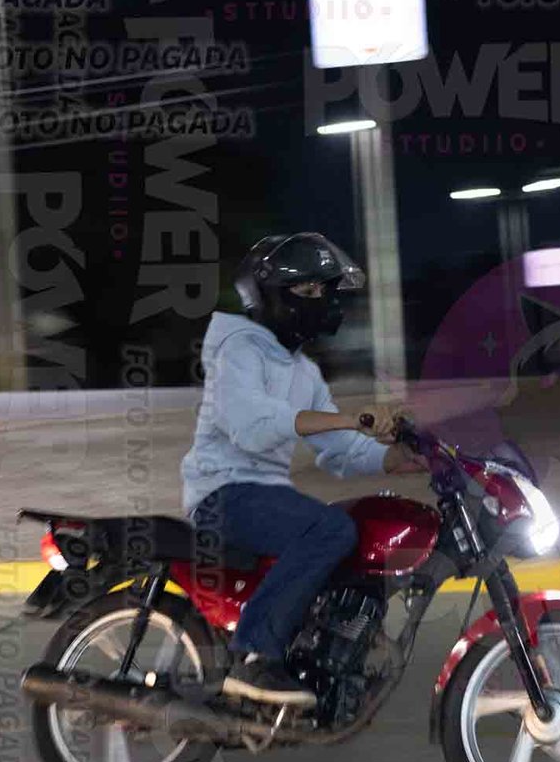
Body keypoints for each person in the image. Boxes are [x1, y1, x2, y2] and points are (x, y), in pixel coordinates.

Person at [181, 232, 424, 707]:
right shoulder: (239, 350)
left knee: (356, 528)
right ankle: (255, 655)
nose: (323, 301)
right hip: (222, 494)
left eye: (326, 291)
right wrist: (352, 417)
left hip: (264, 495)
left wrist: (397, 459)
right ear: (269, 295)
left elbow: (339, 449)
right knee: (330, 529)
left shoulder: (302, 371)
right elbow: (253, 427)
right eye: (309, 290)